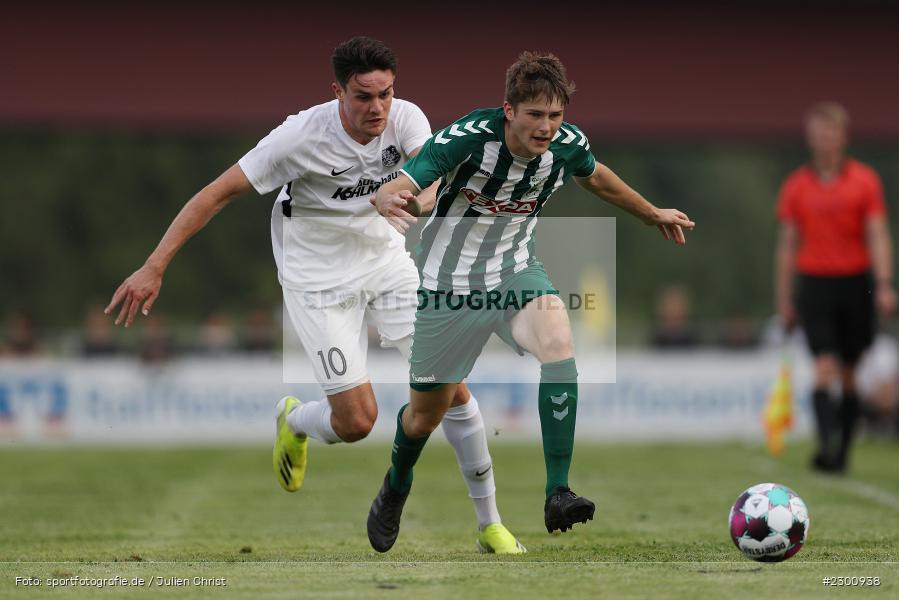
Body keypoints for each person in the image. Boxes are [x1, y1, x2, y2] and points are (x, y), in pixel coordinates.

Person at [105, 37, 524, 553]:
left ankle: (490, 524)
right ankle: (295, 420)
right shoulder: (299, 137)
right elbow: (216, 194)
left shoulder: (407, 118)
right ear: (338, 93)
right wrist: (155, 264)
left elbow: (433, 181)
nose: (377, 108)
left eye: (385, 94)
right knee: (356, 423)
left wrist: (414, 203)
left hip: (385, 260)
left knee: (450, 386)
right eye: (364, 97)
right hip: (317, 276)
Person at [367, 51, 694, 552]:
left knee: (559, 340)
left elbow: (596, 175)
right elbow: (416, 173)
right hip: (448, 286)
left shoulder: (566, 145)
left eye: (555, 115)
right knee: (423, 417)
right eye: (536, 115)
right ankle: (396, 483)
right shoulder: (469, 137)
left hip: (516, 273)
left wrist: (651, 213)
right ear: (509, 110)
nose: (546, 127)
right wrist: (393, 194)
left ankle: (557, 492)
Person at [775, 101, 896, 473]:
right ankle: (826, 446)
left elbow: (877, 234)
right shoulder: (796, 186)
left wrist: (884, 283)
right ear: (810, 138)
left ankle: (843, 448)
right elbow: (787, 245)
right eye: (818, 132)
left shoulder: (865, 181)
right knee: (823, 365)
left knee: (848, 373)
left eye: (830, 132)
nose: (824, 139)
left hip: (855, 282)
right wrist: (784, 298)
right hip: (815, 283)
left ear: (842, 137)